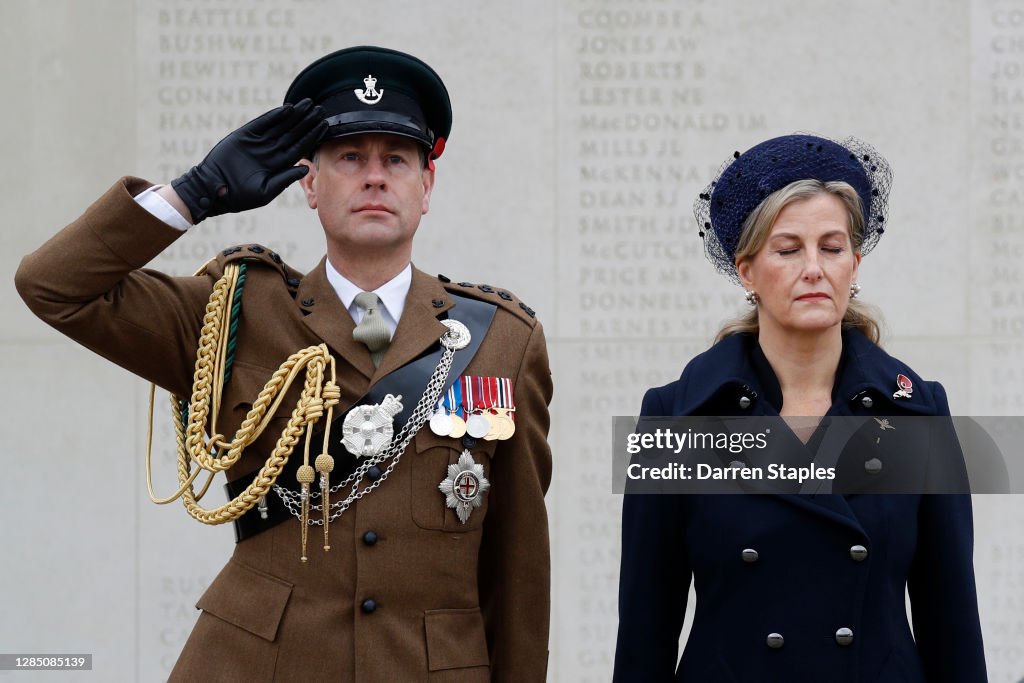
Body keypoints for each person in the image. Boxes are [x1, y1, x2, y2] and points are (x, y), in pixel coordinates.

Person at [16, 46, 552, 682]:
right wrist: (192, 196)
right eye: (350, 158)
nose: (375, 177)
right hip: (257, 665)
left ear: (426, 186)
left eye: (397, 160)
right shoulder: (232, 310)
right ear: (309, 183)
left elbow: (518, 567)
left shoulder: (501, 341)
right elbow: (52, 286)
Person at [612, 134, 987, 681]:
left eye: (832, 248)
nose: (813, 268)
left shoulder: (918, 411)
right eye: (788, 250)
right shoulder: (675, 415)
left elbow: (952, 618)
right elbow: (646, 626)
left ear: (854, 265)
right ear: (746, 271)